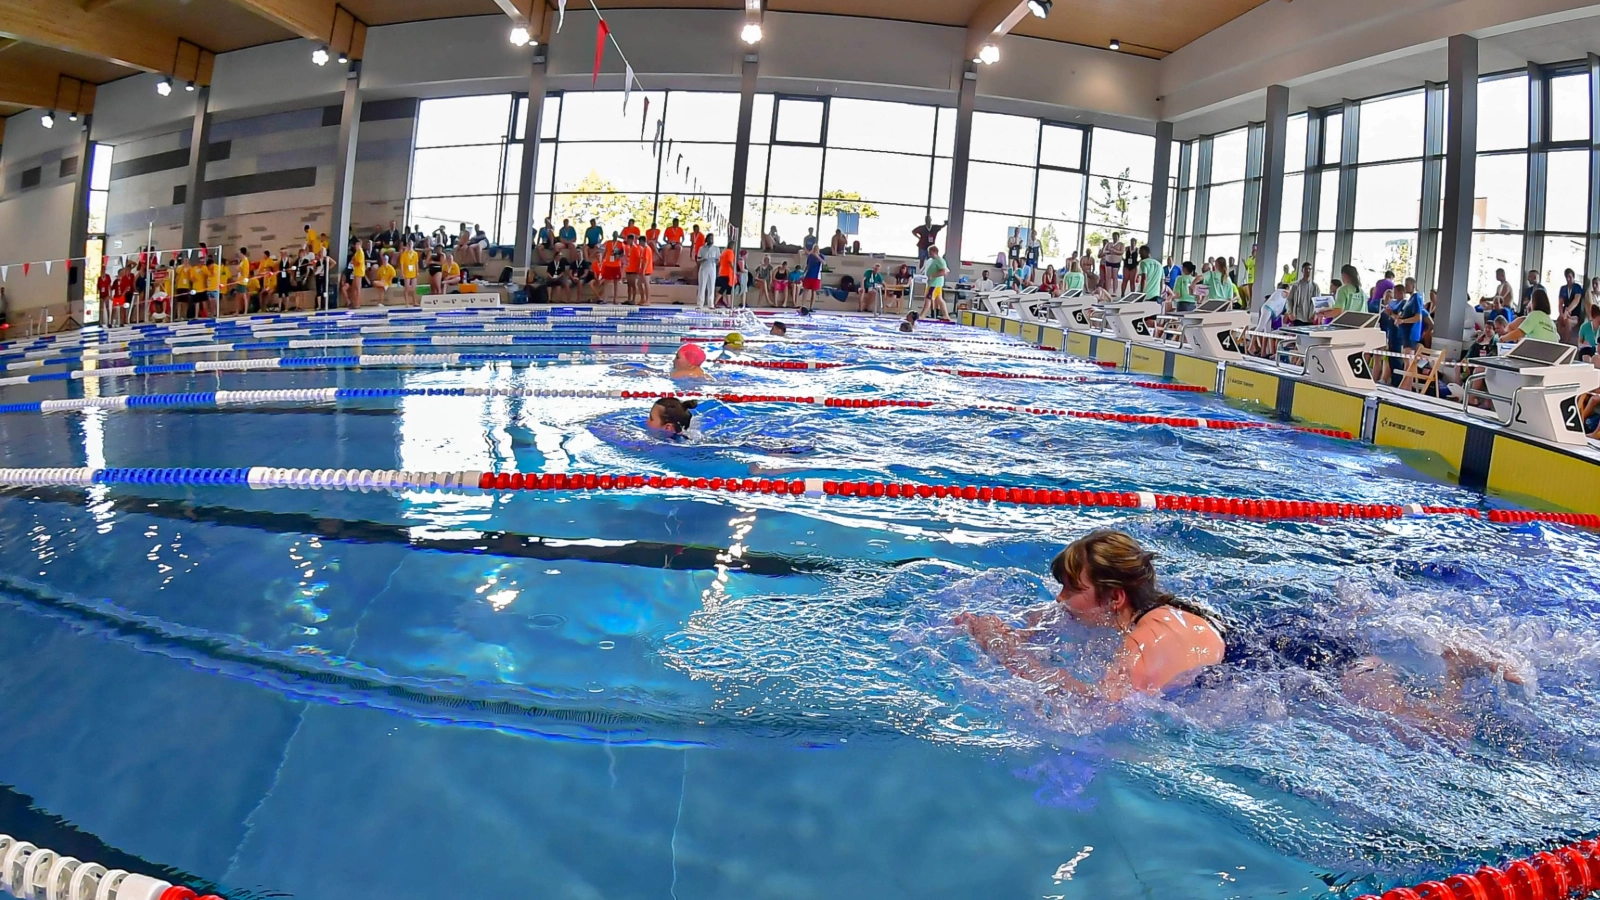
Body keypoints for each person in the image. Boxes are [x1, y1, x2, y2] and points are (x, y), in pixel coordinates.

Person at [956, 530, 1226, 700]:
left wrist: (1005, 652)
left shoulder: (1142, 643)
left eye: (1072, 589)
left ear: (1115, 598)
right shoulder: (1160, 612)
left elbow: (1097, 709)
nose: (1060, 598)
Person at [920, 245, 949, 320]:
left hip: (935, 284)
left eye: (929, 252)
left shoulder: (940, 261)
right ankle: (946, 315)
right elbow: (925, 268)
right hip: (930, 283)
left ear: (934, 252)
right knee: (939, 299)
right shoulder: (930, 260)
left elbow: (944, 271)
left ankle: (922, 315)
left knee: (928, 298)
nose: (928, 253)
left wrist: (932, 276)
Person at [1284, 261, 1317, 326]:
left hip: (1310, 317)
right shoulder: (1296, 285)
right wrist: (1290, 312)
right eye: (1306, 269)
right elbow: (1289, 299)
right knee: (1298, 335)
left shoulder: (1315, 287)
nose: (1308, 271)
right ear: (1302, 270)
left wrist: (1315, 314)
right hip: (1298, 317)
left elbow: (1317, 303)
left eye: (1309, 269)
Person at [1559, 268, 1586, 333]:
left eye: (1570, 277)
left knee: (1568, 322)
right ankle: (1559, 341)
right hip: (1565, 313)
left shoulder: (1577, 287)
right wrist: (1562, 314)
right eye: (1566, 277)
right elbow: (1560, 303)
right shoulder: (1563, 288)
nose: (1568, 279)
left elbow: (1576, 300)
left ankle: (1566, 342)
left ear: (1573, 277)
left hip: (1575, 315)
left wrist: (1567, 311)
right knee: (1559, 320)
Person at [696, 232, 719, 309]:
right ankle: (700, 304)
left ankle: (711, 304)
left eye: (712, 238)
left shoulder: (716, 249)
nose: (711, 240)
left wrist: (715, 261)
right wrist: (703, 259)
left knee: (711, 286)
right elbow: (698, 259)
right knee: (702, 286)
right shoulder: (702, 248)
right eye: (710, 238)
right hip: (703, 269)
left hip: (712, 269)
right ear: (707, 239)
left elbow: (718, 260)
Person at [801, 243, 825, 310]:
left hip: (816, 277)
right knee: (805, 291)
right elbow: (807, 266)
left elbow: (824, 263)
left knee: (813, 292)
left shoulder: (821, 256)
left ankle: (811, 307)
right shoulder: (810, 256)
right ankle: (803, 305)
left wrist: (817, 256)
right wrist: (803, 273)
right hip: (809, 275)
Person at [624, 234, 646, 305]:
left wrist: (638, 269)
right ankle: (629, 299)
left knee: (633, 285)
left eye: (628, 240)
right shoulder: (627, 247)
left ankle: (633, 299)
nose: (627, 241)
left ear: (632, 240)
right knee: (628, 285)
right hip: (628, 268)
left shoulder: (636, 248)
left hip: (633, 269)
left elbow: (639, 259)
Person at [398, 241, 420, 306]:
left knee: (413, 288)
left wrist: (417, 271)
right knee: (407, 288)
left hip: (413, 272)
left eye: (411, 244)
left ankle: (414, 302)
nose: (410, 245)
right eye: (409, 244)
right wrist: (402, 273)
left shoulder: (415, 254)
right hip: (407, 272)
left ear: (413, 245)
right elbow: (402, 264)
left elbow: (416, 263)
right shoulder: (403, 254)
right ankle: (407, 303)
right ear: (407, 245)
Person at [716, 242, 736, 307]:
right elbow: (730, 262)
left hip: (723, 272)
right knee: (724, 287)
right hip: (727, 273)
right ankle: (715, 302)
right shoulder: (730, 252)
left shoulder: (724, 251)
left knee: (728, 288)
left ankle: (729, 304)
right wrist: (734, 269)